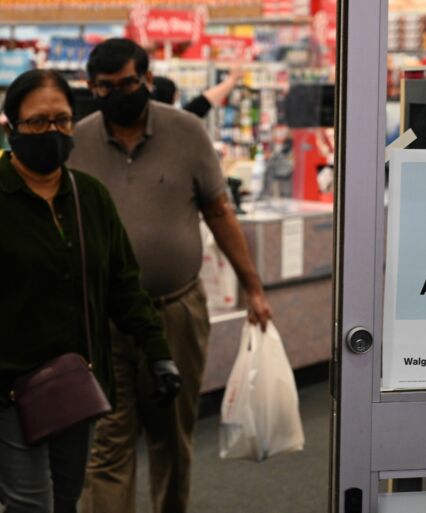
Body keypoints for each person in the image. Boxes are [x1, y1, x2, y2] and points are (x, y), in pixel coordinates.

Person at [68, 39, 273, 513]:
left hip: (175, 311)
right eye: (107, 87)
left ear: (147, 78)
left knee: (170, 438)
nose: (120, 94)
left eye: (129, 84)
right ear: (91, 87)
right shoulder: (76, 141)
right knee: (108, 442)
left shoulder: (186, 132)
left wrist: (254, 288)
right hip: (105, 317)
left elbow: (220, 213)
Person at [0, 69, 182, 513]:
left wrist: (156, 350)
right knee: (31, 505)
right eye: (38, 122)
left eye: (63, 120)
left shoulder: (90, 197)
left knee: (66, 502)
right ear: (10, 126)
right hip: (4, 386)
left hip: (74, 380)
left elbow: (123, 282)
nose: (53, 131)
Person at [151, 64, 244, 118]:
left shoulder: (143, 123)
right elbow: (204, 101)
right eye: (175, 94)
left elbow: (203, 101)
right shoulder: (176, 121)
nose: (178, 97)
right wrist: (232, 79)